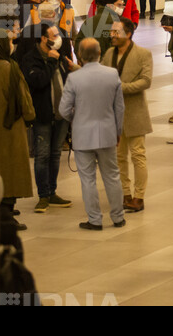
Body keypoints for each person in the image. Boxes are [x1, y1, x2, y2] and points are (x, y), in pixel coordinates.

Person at [59, 38, 126, 230]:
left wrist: (76, 117)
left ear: (80, 55)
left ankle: (95, 219)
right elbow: (119, 108)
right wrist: (118, 130)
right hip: (107, 133)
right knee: (112, 176)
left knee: (87, 179)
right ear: (99, 54)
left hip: (82, 135)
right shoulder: (112, 74)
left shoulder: (74, 78)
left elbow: (63, 109)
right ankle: (118, 217)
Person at [0, 28, 36, 231]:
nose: (12, 45)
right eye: (9, 42)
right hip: (10, 127)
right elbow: (23, 98)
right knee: (11, 170)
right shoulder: (10, 67)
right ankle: (7, 216)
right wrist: (31, 116)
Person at [21, 22, 73, 213]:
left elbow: (66, 81)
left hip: (61, 115)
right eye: (54, 36)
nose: (58, 39)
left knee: (56, 154)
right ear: (43, 39)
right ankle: (43, 195)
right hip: (42, 115)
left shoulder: (60, 57)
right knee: (42, 155)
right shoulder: (31, 59)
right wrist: (51, 61)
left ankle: (52, 192)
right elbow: (39, 81)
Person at [102, 18, 153, 213]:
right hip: (113, 114)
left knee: (138, 155)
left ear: (128, 34)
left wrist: (121, 88)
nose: (112, 36)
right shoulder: (108, 54)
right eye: (112, 32)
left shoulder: (142, 54)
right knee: (119, 156)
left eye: (116, 32)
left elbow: (146, 81)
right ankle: (125, 194)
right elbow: (102, 74)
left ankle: (139, 196)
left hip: (135, 111)